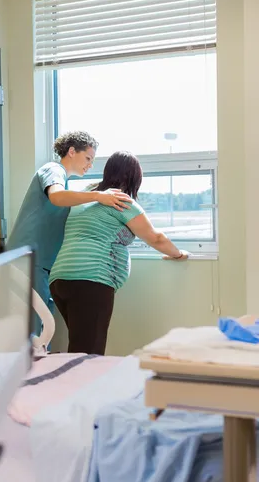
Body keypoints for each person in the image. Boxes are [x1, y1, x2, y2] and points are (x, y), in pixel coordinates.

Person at [49, 151, 188, 356]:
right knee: (89, 354)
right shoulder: (121, 201)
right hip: (90, 281)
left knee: (80, 348)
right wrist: (178, 254)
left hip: (60, 279)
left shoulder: (88, 195)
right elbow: (155, 238)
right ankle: (83, 388)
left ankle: (78, 386)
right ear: (134, 178)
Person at [6, 131, 132, 333]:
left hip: (45, 263)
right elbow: (56, 197)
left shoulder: (66, 184)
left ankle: (39, 360)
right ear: (72, 151)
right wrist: (98, 196)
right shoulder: (53, 170)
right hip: (28, 259)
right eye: (88, 158)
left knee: (41, 326)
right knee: (31, 327)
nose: (90, 165)